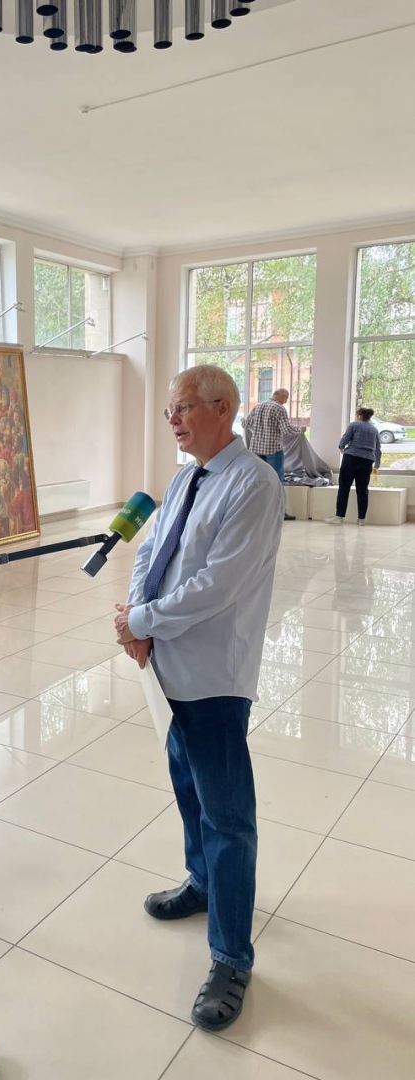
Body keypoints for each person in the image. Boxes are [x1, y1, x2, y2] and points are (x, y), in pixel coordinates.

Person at [113, 364, 284, 1034]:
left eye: (182, 408)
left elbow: (220, 584)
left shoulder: (253, 484)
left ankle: (231, 957)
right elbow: (149, 552)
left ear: (222, 408)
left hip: (213, 676)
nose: (174, 420)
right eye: (169, 411)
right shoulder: (186, 478)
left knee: (227, 818)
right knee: (188, 787)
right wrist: (137, 617)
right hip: (166, 667)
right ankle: (203, 882)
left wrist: (143, 621)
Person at [242, 388, 304, 521]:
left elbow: (246, 425)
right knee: (276, 481)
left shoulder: (258, 406)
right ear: (279, 395)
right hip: (273, 450)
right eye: (286, 398)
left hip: (256, 450)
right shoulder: (279, 409)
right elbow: (286, 430)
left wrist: (241, 418)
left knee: (259, 481)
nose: (285, 402)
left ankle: (259, 511)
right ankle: (279, 512)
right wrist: (300, 430)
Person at [325, 407, 382, 526]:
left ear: (359, 416)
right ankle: (361, 519)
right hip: (367, 461)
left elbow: (345, 438)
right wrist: (377, 465)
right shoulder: (374, 429)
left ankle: (339, 516)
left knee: (344, 487)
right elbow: (378, 449)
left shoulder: (354, 425)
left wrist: (341, 446)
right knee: (363, 490)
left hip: (351, 459)